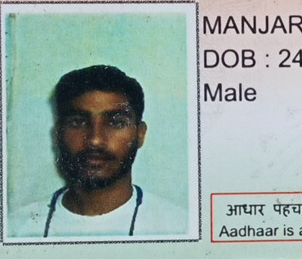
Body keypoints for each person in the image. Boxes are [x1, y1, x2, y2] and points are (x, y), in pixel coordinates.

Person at [11, 64, 189, 238]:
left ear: (140, 134)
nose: (95, 140)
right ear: (58, 133)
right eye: (77, 122)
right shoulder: (16, 228)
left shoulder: (180, 227)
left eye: (116, 123)